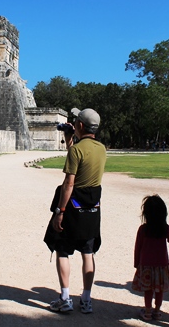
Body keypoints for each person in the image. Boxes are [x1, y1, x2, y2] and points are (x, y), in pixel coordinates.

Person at [44, 107, 106, 314]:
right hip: (91, 207)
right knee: (88, 252)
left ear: (80, 125)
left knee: (63, 249)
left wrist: (60, 210)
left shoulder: (77, 151)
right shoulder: (101, 148)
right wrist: (70, 140)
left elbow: (69, 183)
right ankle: (86, 299)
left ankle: (65, 297)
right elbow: (83, 160)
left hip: (73, 207)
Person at [132, 195, 169, 321]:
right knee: (159, 290)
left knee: (148, 290)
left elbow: (138, 247)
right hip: (161, 265)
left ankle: (148, 311)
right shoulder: (164, 228)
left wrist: (137, 263)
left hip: (146, 264)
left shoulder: (143, 229)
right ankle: (157, 311)